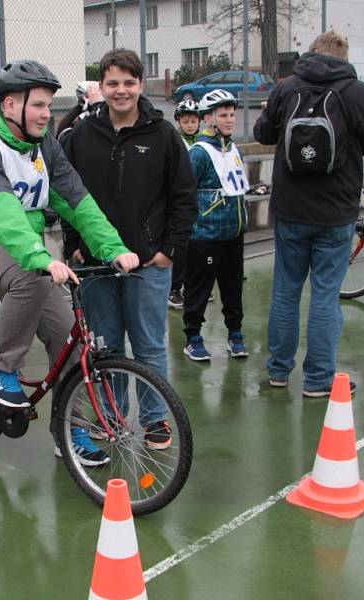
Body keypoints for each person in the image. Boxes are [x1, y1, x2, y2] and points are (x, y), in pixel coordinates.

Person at [0, 59, 138, 465]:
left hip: (25, 251)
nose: (47, 114)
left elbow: (78, 200)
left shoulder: (45, 144)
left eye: (49, 105)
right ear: (10, 105)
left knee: (71, 340)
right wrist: (40, 257)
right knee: (28, 276)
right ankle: (0, 370)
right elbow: (1, 212)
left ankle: (71, 430)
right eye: (39, 105)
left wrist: (113, 248)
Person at [61, 48, 197, 448]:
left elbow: (184, 197)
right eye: (112, 83)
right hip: (96, 265)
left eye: (129, 82)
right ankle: (113, 417)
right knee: (106, 346)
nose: (121, 91)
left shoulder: (163, 135)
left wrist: (168, 250)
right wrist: (75, 245)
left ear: (140, 85)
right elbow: (66, 195)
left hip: (148, 263)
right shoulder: (82, 135)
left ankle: (156, 419)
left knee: (150, 345)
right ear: (100, 87)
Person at [253, 31, 364, 396]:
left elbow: (262, 132)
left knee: (285, 292)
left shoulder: (287, 88)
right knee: (326, 296)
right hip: (335, 211)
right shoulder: (358, 93)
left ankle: (278, 371)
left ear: (312, 53)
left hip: (291, 208)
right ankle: (318, 380)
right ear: (344, 58)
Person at [182, 89, 249, 361]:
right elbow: (185, 191)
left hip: (234, 233)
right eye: (223, 115)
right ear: (208, 118)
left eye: (232, 114)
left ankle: (235, 334)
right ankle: (193, 337)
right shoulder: (199, 153)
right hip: (206, 235)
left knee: (233, 287)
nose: (230, 119)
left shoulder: (234, 149)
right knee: (200, 288)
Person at [168, 98, 201, 309]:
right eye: (186, 121)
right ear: (179, 122)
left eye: (193, 121)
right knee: (180, 250)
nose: (190, 125)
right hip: (179, 204)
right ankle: (174, 289)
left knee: (196, 249)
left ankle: (192, 286)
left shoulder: (201, 143)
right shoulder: (176, 142)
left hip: (198, 204)